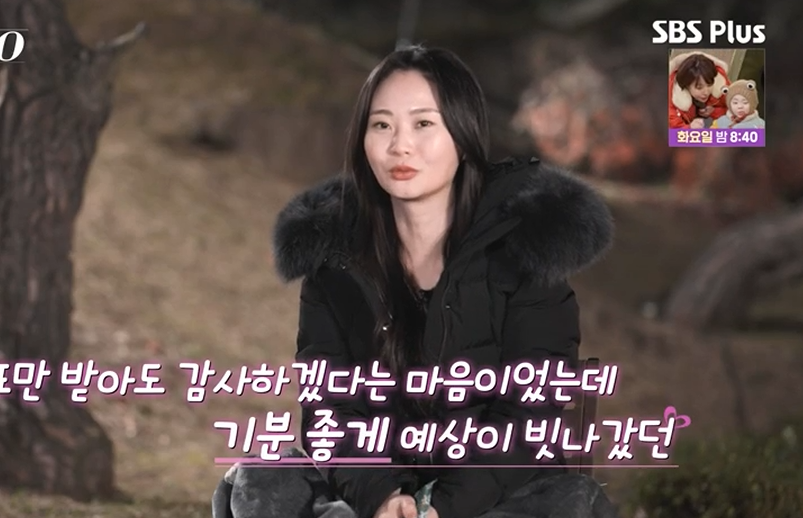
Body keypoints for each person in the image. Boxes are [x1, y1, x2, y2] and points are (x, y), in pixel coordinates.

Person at [267, 46, 616, 518]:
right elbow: (330, 411)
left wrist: (443, 507)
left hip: (496, 498)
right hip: (376, 500)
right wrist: (383, 497)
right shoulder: (333, 261)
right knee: (262, 485)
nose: (400, 146)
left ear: (463, 136)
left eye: (423, 124)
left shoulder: (524, 251)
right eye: (381, 125)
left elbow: (527, 416)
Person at [667, 51, 730, 129]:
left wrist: (714, 111)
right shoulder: (671, 97)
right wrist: (690, 128)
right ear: (686, 85)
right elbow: (672, 131)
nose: (706, 92)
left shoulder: (722, 86)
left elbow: (735, 110)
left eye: (709, 85)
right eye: (699, 88)